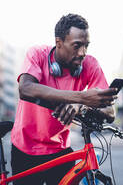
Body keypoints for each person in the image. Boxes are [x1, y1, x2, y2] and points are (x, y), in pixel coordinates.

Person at [11, 13, 117, 185]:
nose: (83, 53)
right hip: (25, 149)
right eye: (76, 46)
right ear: (58, 43)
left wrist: (79, 106)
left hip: (61, 149)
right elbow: (25, 88)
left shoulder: (90, 64)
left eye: (86, 46)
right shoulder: (37, 54)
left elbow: (109, 111)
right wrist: (81, 97)